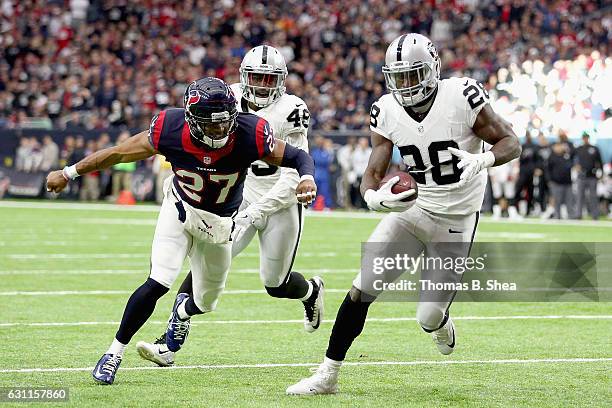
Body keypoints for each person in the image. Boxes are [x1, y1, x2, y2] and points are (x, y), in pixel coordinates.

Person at [286, 33, 520, 395]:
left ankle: (440, 323)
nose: (407, 84)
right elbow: (374, 171)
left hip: (456, 219)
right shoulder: (386, 110)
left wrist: (483, 159)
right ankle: (327, 374)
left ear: (433, 69)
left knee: (427, 317)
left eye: (414, 74)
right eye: (400, 76)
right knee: (362, 288)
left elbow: (511, 141)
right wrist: (371, 197)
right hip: (415, 210)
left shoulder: (461, 95)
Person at [46, 77, 317, 385]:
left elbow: (297, 156)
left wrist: (306, 178)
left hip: (219, 224)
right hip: (179, 209)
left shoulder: (249, 132)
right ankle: (113, 354)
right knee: (159, 280)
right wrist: (69, 172)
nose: (218, 130)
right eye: (210, 124)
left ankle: (183, 313)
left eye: (224, 122)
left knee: (206, 301)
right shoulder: (170, 128)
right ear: (191, 117)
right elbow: (121, 153)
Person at [136, 46, 324, 367]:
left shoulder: (292, 109)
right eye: (256, 77)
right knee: (205, 259)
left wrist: (258, 210)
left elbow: (293, 171)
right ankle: (170, 342)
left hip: (280, 201)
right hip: (240, 196)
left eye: (269, 78)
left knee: (275, 284)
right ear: (243, 77)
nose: (262, 85)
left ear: (281, 81)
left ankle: (310, 291)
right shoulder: (226, 98)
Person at [574, 133, 602, 219]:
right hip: (581, 176)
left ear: (588, 138)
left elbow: (599, 162)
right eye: (584, 138)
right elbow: (574, 159)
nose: (585, 139)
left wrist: (601, 174)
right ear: (582, 138)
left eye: (586, 138)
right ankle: (578, 214)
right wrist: (576, 165)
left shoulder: (594, 148)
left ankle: (595, 215)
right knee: (580, 196)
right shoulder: (579, 149)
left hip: (592, 175)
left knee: (593, 196)